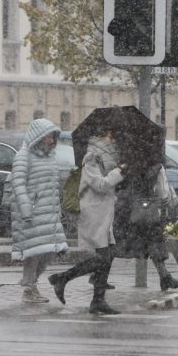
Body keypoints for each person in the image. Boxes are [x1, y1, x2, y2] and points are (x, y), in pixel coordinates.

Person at [47, 127, 125, 315]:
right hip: (93, 213)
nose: (112, 141)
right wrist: (119, 172)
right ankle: (63, 278)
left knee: (108, 255)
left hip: (104, 213)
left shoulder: (106, 159)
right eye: (110, 137)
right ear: (100, 137)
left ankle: (97, 300)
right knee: (103, 257)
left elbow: (107, 185)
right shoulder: (91, 158)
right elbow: (99, 185)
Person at [9, 118, 68, 304]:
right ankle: (29, 288)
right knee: (33, 253)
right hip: (32, 214)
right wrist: (27, 209)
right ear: (39, 137)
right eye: (48, 137)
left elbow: (53, 185)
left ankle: (31, 283)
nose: (51, 141)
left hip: (49, 213)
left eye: (53, 137)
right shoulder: (23, 156)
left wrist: (58, 207)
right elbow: (18, 184)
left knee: (50, 252)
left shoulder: (50, 156)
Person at [114, 161, 178, 291]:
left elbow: (117, 185)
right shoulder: (156, 166)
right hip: (147, 210)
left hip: (125, 211)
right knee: (154, 241)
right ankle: (165, 278)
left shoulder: (125, 163)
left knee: (132, 243)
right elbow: (163, 193)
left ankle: (165, 277)